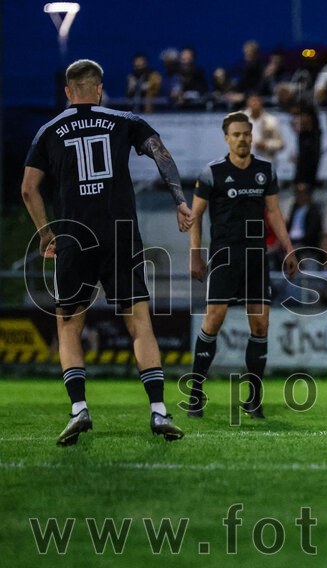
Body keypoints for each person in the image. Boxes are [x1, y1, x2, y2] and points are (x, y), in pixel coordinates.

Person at [21, 59, 192, 445]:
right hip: (120, 234)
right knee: (140, 324)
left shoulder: (49, 130)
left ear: (68, 92)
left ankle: (79, 408)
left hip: (74, 236)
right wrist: (180, 201)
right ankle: (158, 411)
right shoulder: (124, 119)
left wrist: (46, 233)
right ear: (99, 89)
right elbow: (161, 154)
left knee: (69, 326)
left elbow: (28, 189)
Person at [187, 112, 298, 419]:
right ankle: (195, 394)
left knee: (261, 325)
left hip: (256, 257)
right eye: (236, 134)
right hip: (224, 256)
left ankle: (254, 399)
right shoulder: (212, 172)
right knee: (214, 320)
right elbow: (195, 215)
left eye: (246, 134)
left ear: (252, 136)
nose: (242, 139)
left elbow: (273, 212)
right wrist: (195, 254)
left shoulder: (265, 170)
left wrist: (289, 248)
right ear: (227, 138)